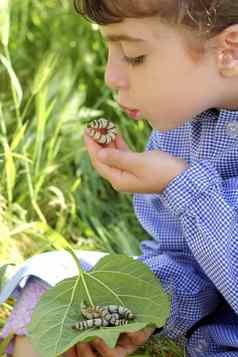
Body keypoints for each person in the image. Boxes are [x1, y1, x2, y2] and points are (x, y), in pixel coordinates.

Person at [1, 0, 238, 355]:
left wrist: (181, 185)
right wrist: (138, 312)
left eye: (134, 55)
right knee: (53, 283)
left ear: (229, 50)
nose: (111, 76)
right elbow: (187, 263)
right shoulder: (179, 130)